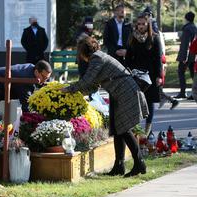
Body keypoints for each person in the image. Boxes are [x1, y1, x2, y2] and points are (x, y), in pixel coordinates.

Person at [62, 37, 148, 177]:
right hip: (118, 93)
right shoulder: (98, 57)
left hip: (124, 92)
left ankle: (140, 163)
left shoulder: (97, 58)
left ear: (84, 52)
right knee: (117, 129)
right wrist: (77, 93)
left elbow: (87, 81)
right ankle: (118, 166)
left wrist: (68, 89)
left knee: (124, 129)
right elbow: (94, 86)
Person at [0, 60, 52, 125]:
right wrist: (35, 122)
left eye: (47, 78)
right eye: (44, 77)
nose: (45, 81)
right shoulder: (25, 79)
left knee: (0, 120)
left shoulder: (32, 68)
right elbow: (26, 105)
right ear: (37, 72)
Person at [125, 14, 163, 135]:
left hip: (150, 75)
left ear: (148, 25)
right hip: (136, 75)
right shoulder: (132, 38)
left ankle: (147, 132)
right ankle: (136, 131)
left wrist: (159, 76)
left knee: (149, 101)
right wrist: (127, 72)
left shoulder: (154, 38)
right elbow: (129, 57)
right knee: (136, 102)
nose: (140, 26)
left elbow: (158, 58)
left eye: (143, 24)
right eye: (139, 24)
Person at [143, 6, 179, 110]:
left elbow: (159, 48)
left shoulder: (153, 29)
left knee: (155, 84)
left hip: (157, 59)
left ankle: (170, 100)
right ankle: (169, 100)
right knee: (156, 85)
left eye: (147, 15)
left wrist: (162, 60)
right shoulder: (152, 27)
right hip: (158, 59)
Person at [174, 11, 197, 99]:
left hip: (186, 56)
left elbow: (185, 44)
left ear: (186, 18)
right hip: (193, 55)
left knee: (181, 72)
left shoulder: (187, 29)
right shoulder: (194, 27)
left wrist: (184, 57)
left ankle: (182, 92)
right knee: (192, 74)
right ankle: (194, 93)